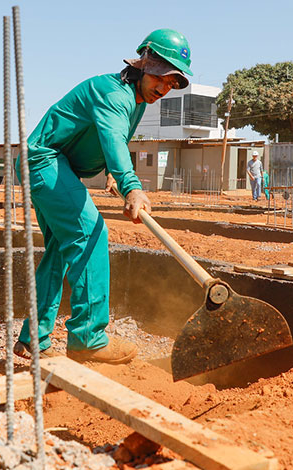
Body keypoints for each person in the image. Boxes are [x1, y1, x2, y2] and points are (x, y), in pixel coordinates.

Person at [13, 29, 192, 365]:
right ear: (144, 65)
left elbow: (113, 140)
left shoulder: (137, 100)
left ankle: (32, 339)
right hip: (43, 160)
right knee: (91, 233)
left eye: (172, 84)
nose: (164, 89)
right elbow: (111, 137)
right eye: (162, 79)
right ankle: (88, 339)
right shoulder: (113, 93)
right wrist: (131, 186)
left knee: (60, 251)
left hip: (54, 164)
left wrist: (111, 172)